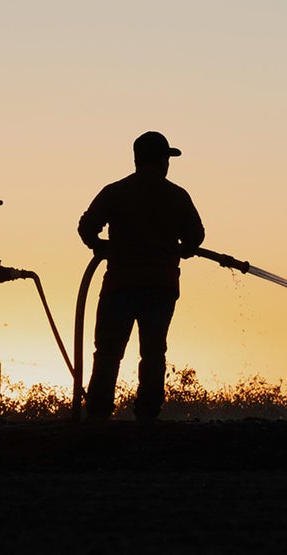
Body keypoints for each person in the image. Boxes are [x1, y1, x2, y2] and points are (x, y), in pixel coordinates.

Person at [78, 130, 205, 421]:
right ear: (161, 161)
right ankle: (148, 414)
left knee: (108, 351)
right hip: (160, 287)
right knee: (153, 351)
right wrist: (183, 249)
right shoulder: (176, 195)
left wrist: (101, 247)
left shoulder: (115, 192)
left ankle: (98, 413)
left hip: (119, 285)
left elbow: (87, 227)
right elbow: (195, 236)